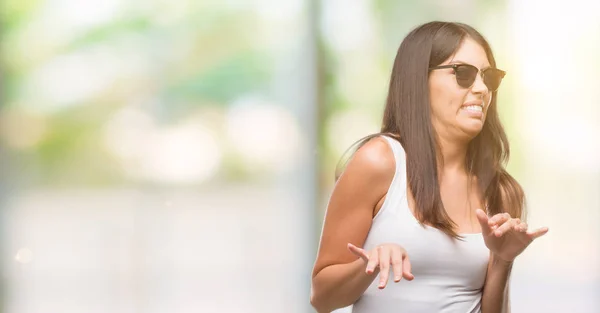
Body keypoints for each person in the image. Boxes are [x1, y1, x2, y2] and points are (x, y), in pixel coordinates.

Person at [309, 21, 549, 313]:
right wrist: (369, 265)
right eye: (463, 74)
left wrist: (503, 260)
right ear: (418, 80)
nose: (482, 89)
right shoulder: (379, 162)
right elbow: (322, 298)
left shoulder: (502, 192)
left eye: (489, 77)